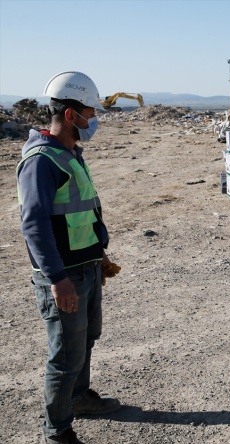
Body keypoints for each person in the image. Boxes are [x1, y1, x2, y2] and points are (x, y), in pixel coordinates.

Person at [16, 71, 121, 444]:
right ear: (72, 114)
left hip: (88, 266)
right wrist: (57, 279)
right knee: (65, 356)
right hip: (64, 275)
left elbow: (82, 211)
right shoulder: (41, 161)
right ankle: (57, 430)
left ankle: (79, 398)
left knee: (87, 338)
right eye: (91, 112)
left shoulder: (70, 153)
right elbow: (34, 225)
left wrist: (99, 251)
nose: (94, 120)